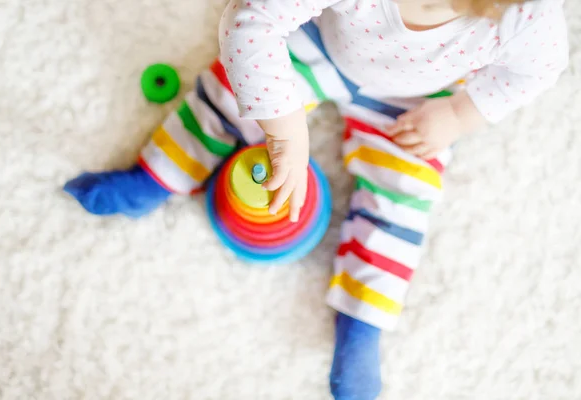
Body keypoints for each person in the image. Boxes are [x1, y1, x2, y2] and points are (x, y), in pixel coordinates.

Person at [64, 0, 569, 398]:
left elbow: (535, 71)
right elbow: (251, 20)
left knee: (405, 193)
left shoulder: (529, 16)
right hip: (322, 43)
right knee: (231, 94)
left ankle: (363, 318)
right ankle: (160, 173)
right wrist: (284, 129)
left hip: (418, 99)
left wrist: (461, 114)